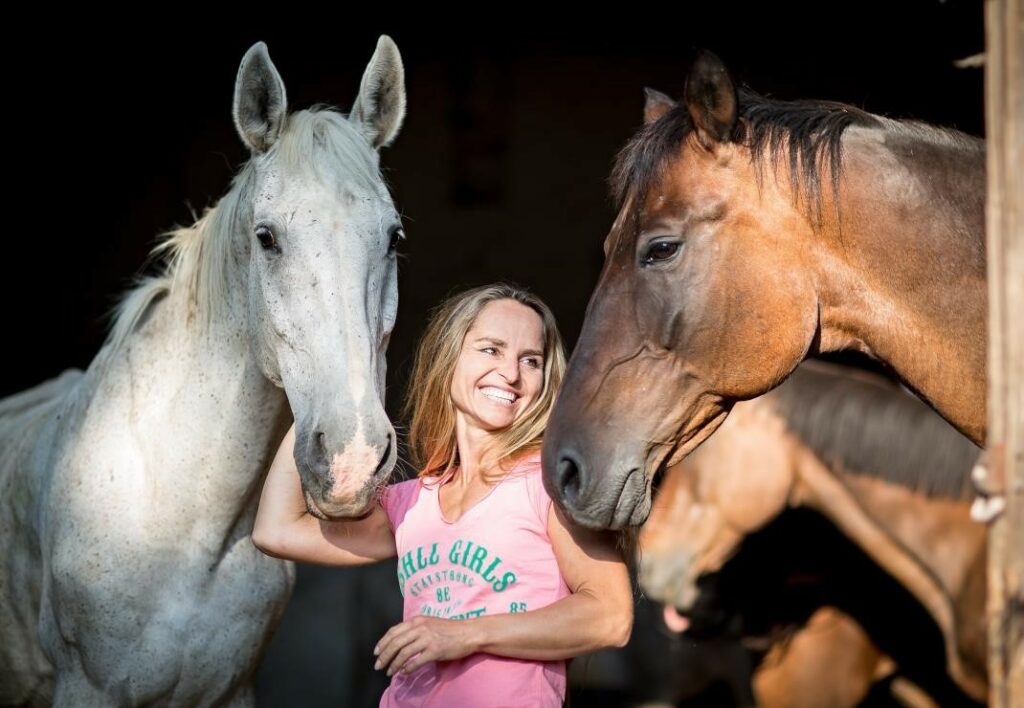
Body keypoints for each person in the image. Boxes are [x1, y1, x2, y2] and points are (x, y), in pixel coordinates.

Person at [252, 283, 633, 707]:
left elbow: (609, 616)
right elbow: (277, 530)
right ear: (448, 356)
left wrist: (462, 634)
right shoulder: (413, 501)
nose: (511, 374)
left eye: (531, 360)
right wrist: (320, 393)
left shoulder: (549, 485)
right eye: (491, 349)